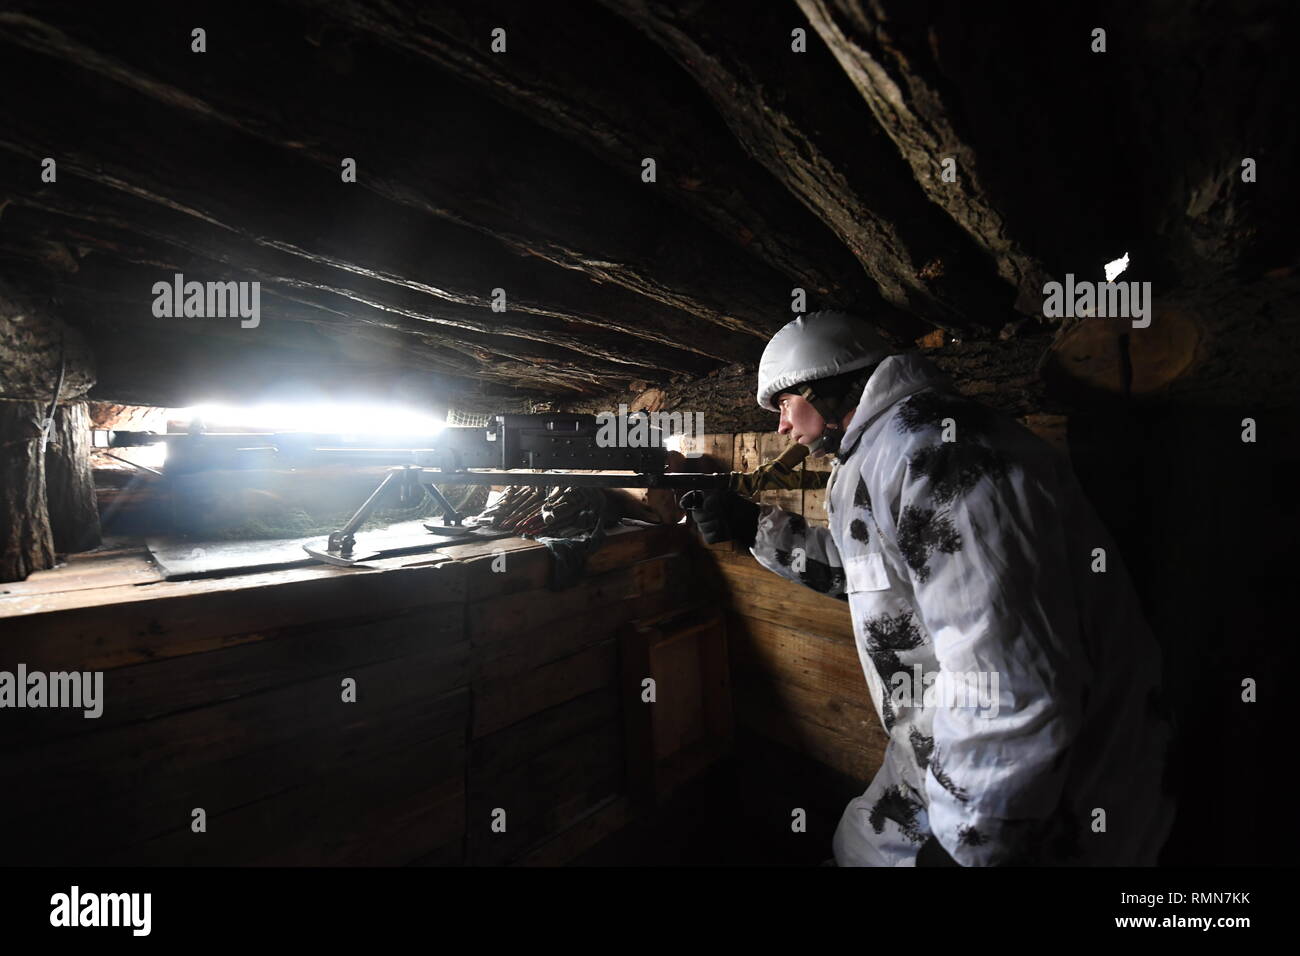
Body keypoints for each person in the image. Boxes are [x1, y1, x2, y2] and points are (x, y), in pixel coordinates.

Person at [688, 311, 1177, 866]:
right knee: (855, 848)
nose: (780, 427)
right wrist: (751, 525)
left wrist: (968, 842)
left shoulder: (940, 451)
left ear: (821, 386)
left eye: (781, 404)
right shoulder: (875, 454)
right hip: (939, 753)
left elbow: (1010, 678)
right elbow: (870, 573)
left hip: (1047, 795)